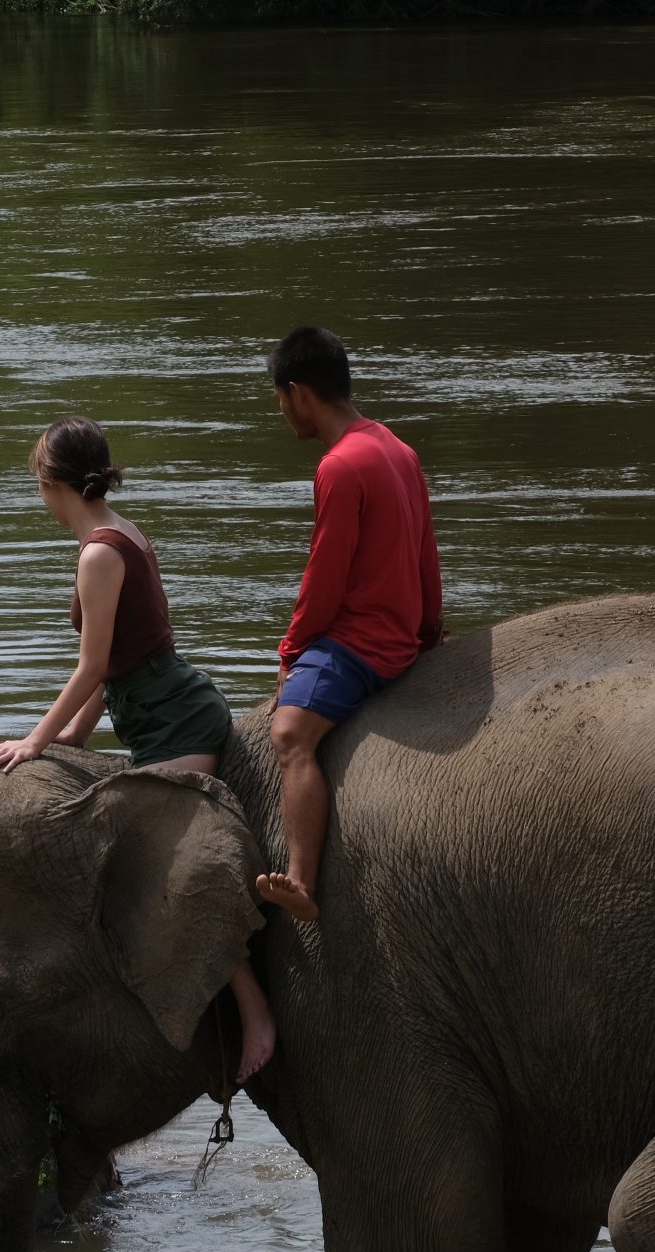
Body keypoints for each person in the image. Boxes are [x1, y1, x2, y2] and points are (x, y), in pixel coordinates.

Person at [0, 416, 277, 1082]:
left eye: (38, 484)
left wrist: (35, 740)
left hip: (180, 725)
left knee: (158, 866)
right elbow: (109, 668)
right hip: (158, 716)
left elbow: (89, 667)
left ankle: (254, 1010)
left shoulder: (100, 553)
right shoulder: (115, 533)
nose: (38, 497)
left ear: (55, 485)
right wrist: (73, 741)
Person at [255, 325, 444, 923]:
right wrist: (429, 631)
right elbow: (425, 553)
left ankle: (302, 879)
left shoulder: (340, 465)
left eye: (280, 400)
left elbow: (325, 576)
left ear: (297, 392)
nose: (282, 411)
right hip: (402, 637)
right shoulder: (397, 448)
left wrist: (292, 649)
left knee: (289, 736)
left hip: (361, 646)